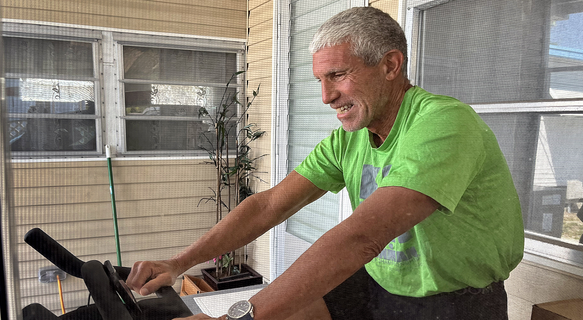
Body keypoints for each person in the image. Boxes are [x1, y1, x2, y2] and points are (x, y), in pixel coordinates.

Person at [126, 7, 524, 320]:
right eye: (320, 79)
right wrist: (178, 263)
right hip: (379, 283)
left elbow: (362, 238)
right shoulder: (349, 138)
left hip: (456, 303)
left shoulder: (443, 123)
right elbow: (269, 205)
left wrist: (240, 318)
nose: (326, 96)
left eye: (338, 75)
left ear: (390, 65)